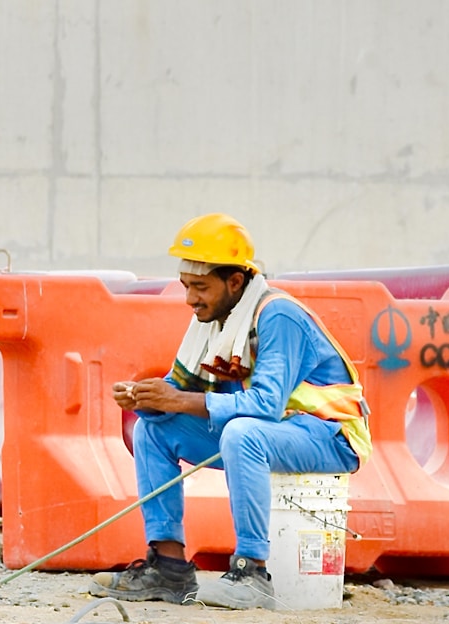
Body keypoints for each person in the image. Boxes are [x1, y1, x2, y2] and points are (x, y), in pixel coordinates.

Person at [88, 212, 372, 610]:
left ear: (235, 282)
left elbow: (265, 406)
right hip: (272, 435)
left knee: (242, 433)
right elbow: (180, 391)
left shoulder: (278, 316)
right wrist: (147, 400)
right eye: (186, 286)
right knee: (151, 430)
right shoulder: (212, 321)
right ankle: (168, 567)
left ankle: (251, 573)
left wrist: (177, 400)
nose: (190, 298)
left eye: (200, 287)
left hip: (328, 436)